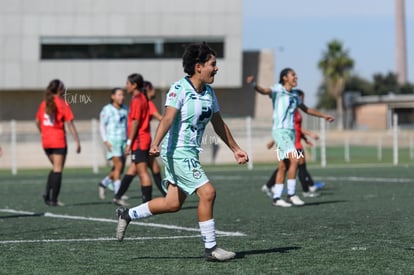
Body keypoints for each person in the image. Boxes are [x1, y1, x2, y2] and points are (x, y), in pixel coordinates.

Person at [115, 42, 249, 261]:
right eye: (212, 64)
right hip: (177, 152)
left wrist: (235, 149)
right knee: (208, 192)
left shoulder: (209, 93)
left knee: (172, 204)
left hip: (190, 153)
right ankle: (211, 249)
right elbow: (167, 117)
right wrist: (155, 142)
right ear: (198, 66)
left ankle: (127, 214)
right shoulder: (179, 88)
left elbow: (218, 123)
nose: (216, 68)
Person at [247, 68, 334, 207]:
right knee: (295, 160)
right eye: (293, 75)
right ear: (285, 78)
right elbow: (263, 91)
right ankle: (292, 195)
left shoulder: (294, 95)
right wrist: (254, 84)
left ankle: (277, 198)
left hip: (290, 133)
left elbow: (307, 109)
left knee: (283, 166)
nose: (296, 77)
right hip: (280, 131)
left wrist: (324, 116)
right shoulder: (277, 89)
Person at [262, 90, 324, 198]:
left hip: (296, 141)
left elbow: (296, 129)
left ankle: (271, 186)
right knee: (294, 165)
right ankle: (305, 189)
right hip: (292, 143)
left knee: (290, 166)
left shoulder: (296, 111)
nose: (302, 100)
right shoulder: (291, 111)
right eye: (301, 98)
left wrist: (304, 138)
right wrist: (310, 134)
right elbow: (292, 128)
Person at [35, 79, 81, 206]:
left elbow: (38, 121)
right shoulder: (62, 103)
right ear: (60, 89)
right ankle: (53, 200)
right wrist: (77, 141)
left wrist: (43, 133)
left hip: (46, 141)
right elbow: (70, 124)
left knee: (55, 168)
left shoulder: (44, 103)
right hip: (58, 140)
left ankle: (47, 193)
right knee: (58, 169)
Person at [112, 74, 152, 206]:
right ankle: (118, 196)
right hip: (143, 139)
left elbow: (135, 122)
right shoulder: (142, 98)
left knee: (142, 172)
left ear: (134, 85)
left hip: (140, 141)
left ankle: (147, 204)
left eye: (128, 83)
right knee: (132, 170)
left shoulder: (137, 100)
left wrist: (129, 142)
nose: (126, 86)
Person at [98, 88, 128, 200]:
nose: (122, 97)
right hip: (112, 141)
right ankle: (118, 193)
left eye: (123, 95)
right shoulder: (106, 109)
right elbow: (101, 126)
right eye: (119, 95)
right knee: (118, 166)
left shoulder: (125, 109)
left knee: (120, 167)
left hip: (124, 141)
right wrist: (105, 140)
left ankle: (103, 183)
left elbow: (128, 126)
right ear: (113, 96)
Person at [144, 80, 166, 197]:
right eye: (152, 88)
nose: (154, 91)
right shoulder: (148, 103)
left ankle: (165, 194)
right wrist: (171, 120)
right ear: (147, 89)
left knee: (155, 168)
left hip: (141, 141)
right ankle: (145, 202)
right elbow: (162, 119)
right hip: (142, 142)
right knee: (139, 171)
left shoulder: (140, 101)